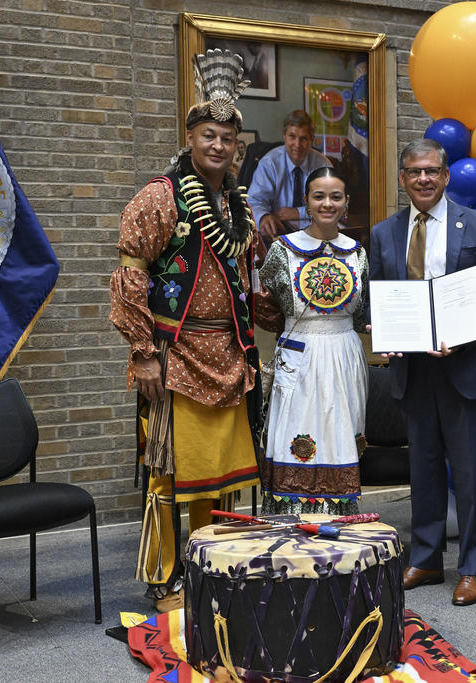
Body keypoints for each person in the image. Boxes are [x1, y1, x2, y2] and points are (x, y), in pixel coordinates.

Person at [109, 49, 261, 612]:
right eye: (208, 135)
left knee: (220, 475)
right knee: (170, 473)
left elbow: (248, 275)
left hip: (229, 351)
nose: (218, 145)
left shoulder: (236, 206)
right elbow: (130, 273)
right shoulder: (161, 197)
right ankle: (165, 578)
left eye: (228, 138)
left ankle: (216, 567)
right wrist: (143, 352)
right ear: (190, 136)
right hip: (175, 353)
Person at [368, 139, 476, 607]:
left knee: (469, 475)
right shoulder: (384, 232)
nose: (423, 179)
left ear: (446, 176)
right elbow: (379, 295)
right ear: (403, 179)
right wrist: (378, 327)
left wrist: (463, 335)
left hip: (463, 367)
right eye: (413, 172)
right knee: (423, 470)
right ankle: (426, 559)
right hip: (412, 370)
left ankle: (471, 569)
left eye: (431, 171)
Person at [256, 167, 369, 515]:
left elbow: (363, 312)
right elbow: (265, 307)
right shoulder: (282, 251)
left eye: (336, 196)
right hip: (299, 354)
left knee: (340, 436)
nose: (327, 203)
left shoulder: (357, 252)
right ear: (305, 201)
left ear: (346, 202)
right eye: (318, 195)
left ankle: (341, 527)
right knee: (297, 435)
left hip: (345, 352)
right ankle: (291, 525)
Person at [248, 110, 332, 244]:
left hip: (315, 234)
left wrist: (298, 213)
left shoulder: (323, 165)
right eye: (292, 136)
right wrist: (263, 217)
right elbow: (254, 201)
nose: (297, 145)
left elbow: (332, 204)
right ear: (284, 136)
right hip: (278, 232)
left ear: (312, 139)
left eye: (303, 138)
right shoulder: (269, 163)